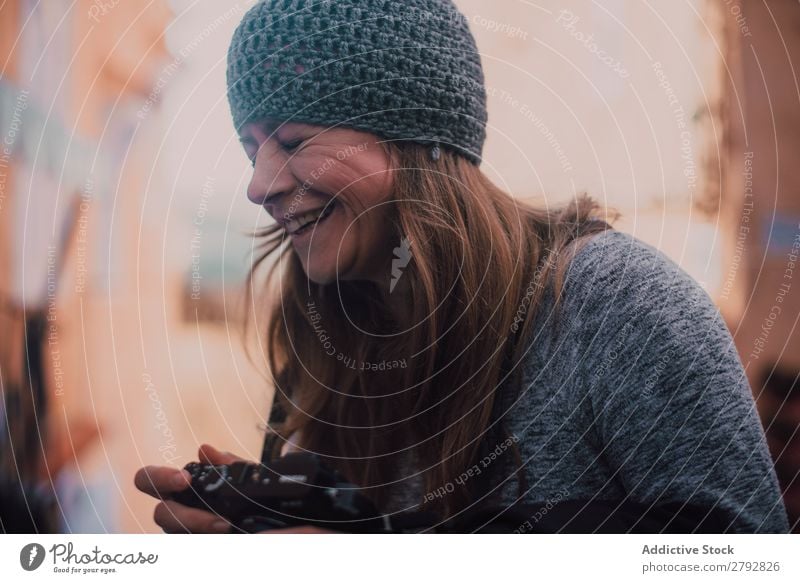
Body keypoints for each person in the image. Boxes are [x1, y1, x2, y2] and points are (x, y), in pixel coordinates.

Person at [134, 0, 790, 534]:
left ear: (417, 138)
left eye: (294, 141)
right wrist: (315, 516)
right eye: (251, 149)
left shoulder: (615, 305)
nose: (259, 184)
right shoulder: (338, 323)